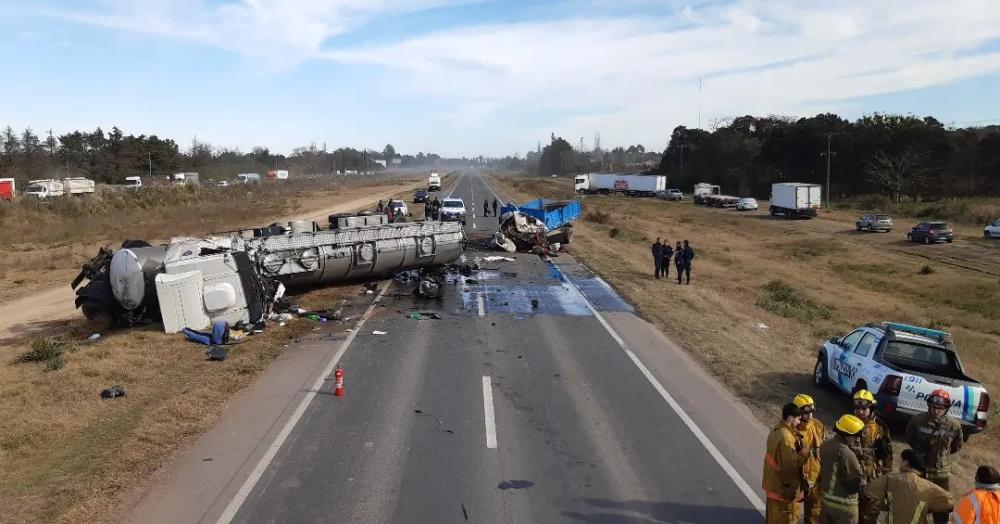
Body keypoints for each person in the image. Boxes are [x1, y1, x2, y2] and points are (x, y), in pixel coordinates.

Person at [864, 449, 953, 524]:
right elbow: (948, 504)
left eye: (900, 461)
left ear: (906, 462)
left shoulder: (890, 478)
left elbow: (868, 492)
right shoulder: (928, 487)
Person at [906, 389, 963, 491]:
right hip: (919, 468)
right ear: (929, 405)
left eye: (941, 408)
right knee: (917, 499)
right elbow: (910, 438)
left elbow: (956, 445)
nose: (937, 411)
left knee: (941, 502)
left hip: (941, 473)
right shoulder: (917, 420)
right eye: (934, 407)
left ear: (946, 408)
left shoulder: (954, 425)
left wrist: (941, 455)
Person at [851, 389, 894, 524]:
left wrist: (887, 476)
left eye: (864, 408)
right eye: (857, 408)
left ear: (871, 408)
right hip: (852, 473)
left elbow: (888, 454)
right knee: (852, 511)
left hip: (872, 475)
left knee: (870, 513)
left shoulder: (880, 426)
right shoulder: (848, 422)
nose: (860, 411)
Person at [763, 403, 808, 524]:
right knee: (786, 519)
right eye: (798, 419)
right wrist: (803, 454)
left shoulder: (776, 429)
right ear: (790, 418)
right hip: (783, 488)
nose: (799, 422)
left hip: (773, 484)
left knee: (772, 518)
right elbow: (790, 464)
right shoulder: (786, 438)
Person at [819, 414, 865, 524]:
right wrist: (860, 461)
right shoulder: (847, 454)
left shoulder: (825, 445)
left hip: (826, 502)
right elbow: (855, 484)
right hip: (844, 508)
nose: (857, 439)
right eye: (855, 436)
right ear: (848, 435)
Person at [794, 394, 828, 524]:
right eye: (806, 413)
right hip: (797, 480)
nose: (810, 416)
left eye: (811, 412)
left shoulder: (819, 426)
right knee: (792, 512)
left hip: (815, 480)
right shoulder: (790, 429)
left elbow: (825, 450)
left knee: (815, 514)